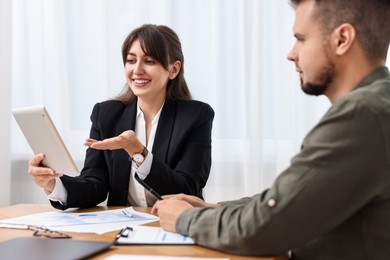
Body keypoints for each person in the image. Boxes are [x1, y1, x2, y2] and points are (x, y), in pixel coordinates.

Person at [151, 0, 390, 259]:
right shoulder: (377, 105)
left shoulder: (360, 116)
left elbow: (261, 229)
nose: (291, 53)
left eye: (301, 38)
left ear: (342, 39)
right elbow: (294, 201)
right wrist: (213, 207)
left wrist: (185, 218)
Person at [28, 24, 214, 210]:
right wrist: (52, 183)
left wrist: (137, 151)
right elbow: (95, 184)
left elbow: (186, 189)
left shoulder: (196, 116)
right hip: (123, 228)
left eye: (149, 61)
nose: (137, 70)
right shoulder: (106, 114)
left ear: (173, 69)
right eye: (131, 60)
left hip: (172, 227)